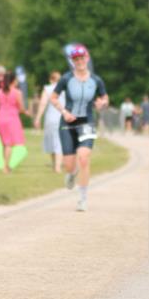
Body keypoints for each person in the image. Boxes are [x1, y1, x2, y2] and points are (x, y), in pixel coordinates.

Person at [50, 45, 109, 212]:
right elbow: (53, 98)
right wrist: (64, 111)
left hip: (87, 122)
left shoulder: (96, 80)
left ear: (87, 58)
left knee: (83, 158)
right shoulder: (66, 79)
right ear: (72, 61)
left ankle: (83, 199)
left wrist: (103, 103)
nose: (80, 61)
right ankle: (70, 174)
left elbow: (105, 98)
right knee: (70, 165)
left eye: (82, 58)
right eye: (76, 59)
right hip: (67, 122)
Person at [0, 71, 26, 174]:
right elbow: (21, 108)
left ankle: (6, 165)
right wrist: (23, 111)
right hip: (12, 119)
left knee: (5, 144)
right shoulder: (17, 92)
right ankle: (5, 167)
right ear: (13, 80)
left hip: (1, 119)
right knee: (9, 144)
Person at [34, 71, 64, 173]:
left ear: (51, 79)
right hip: (63, 117)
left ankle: (55, 165)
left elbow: (43, 104)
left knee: (52, 142)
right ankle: (58, 166)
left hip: (51, 119)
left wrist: (38, 118)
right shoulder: (65, 89)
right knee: (59, 142)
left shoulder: (47, 89)